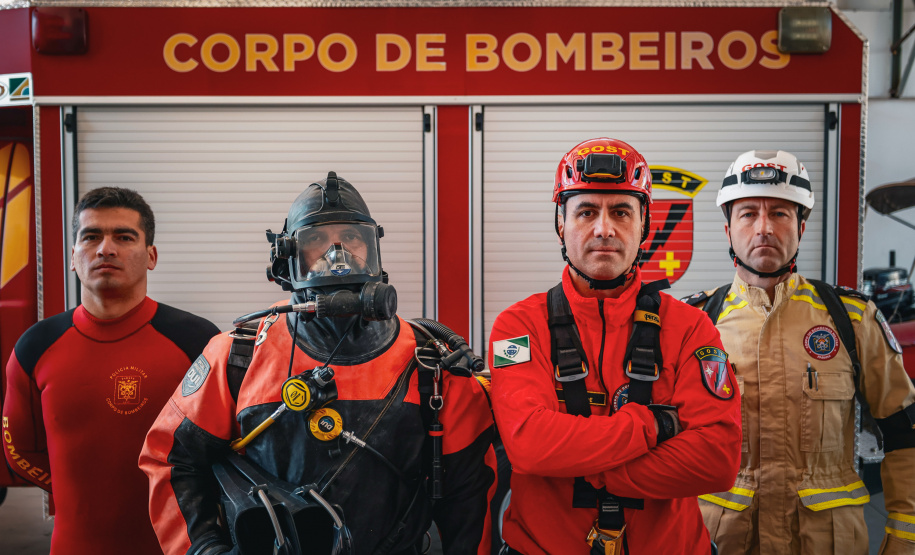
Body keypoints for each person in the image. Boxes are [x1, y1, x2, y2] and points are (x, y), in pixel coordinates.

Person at [140, 172, 496, 555]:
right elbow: (171, 457)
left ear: (374, 251)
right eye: (316, 241)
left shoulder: (432, 364)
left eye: (352, 238)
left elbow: (470, 493)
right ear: (287, 259)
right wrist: (204, 548)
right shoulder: (236, 356)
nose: (337, 255)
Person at [488, 137, 742, 554]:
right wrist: (653, 426)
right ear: (560, 225)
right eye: (586, 211)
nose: (603, 228)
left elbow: (717, 460)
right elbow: (529, 445)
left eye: (621, 212)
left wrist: (599, 472)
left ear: (645, 225)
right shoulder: (517, 329)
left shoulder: (691, 328)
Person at [686, 150, 915, 554]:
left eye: (780, 213)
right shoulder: (695, 323)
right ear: (728, 232)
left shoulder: (851, 319)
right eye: (748, 214)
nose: (764, 228)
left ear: (801, 227)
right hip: (722, 539)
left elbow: (903, 432)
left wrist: (904, 535)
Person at [2, 187, 219, 554]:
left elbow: (229, 446)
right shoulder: (35, 347)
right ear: (73, 257)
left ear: (151, 256)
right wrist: (80, 492)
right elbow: (17, 449)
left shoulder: (198, 341)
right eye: (91, 236)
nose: (105, 248)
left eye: (124, 236)